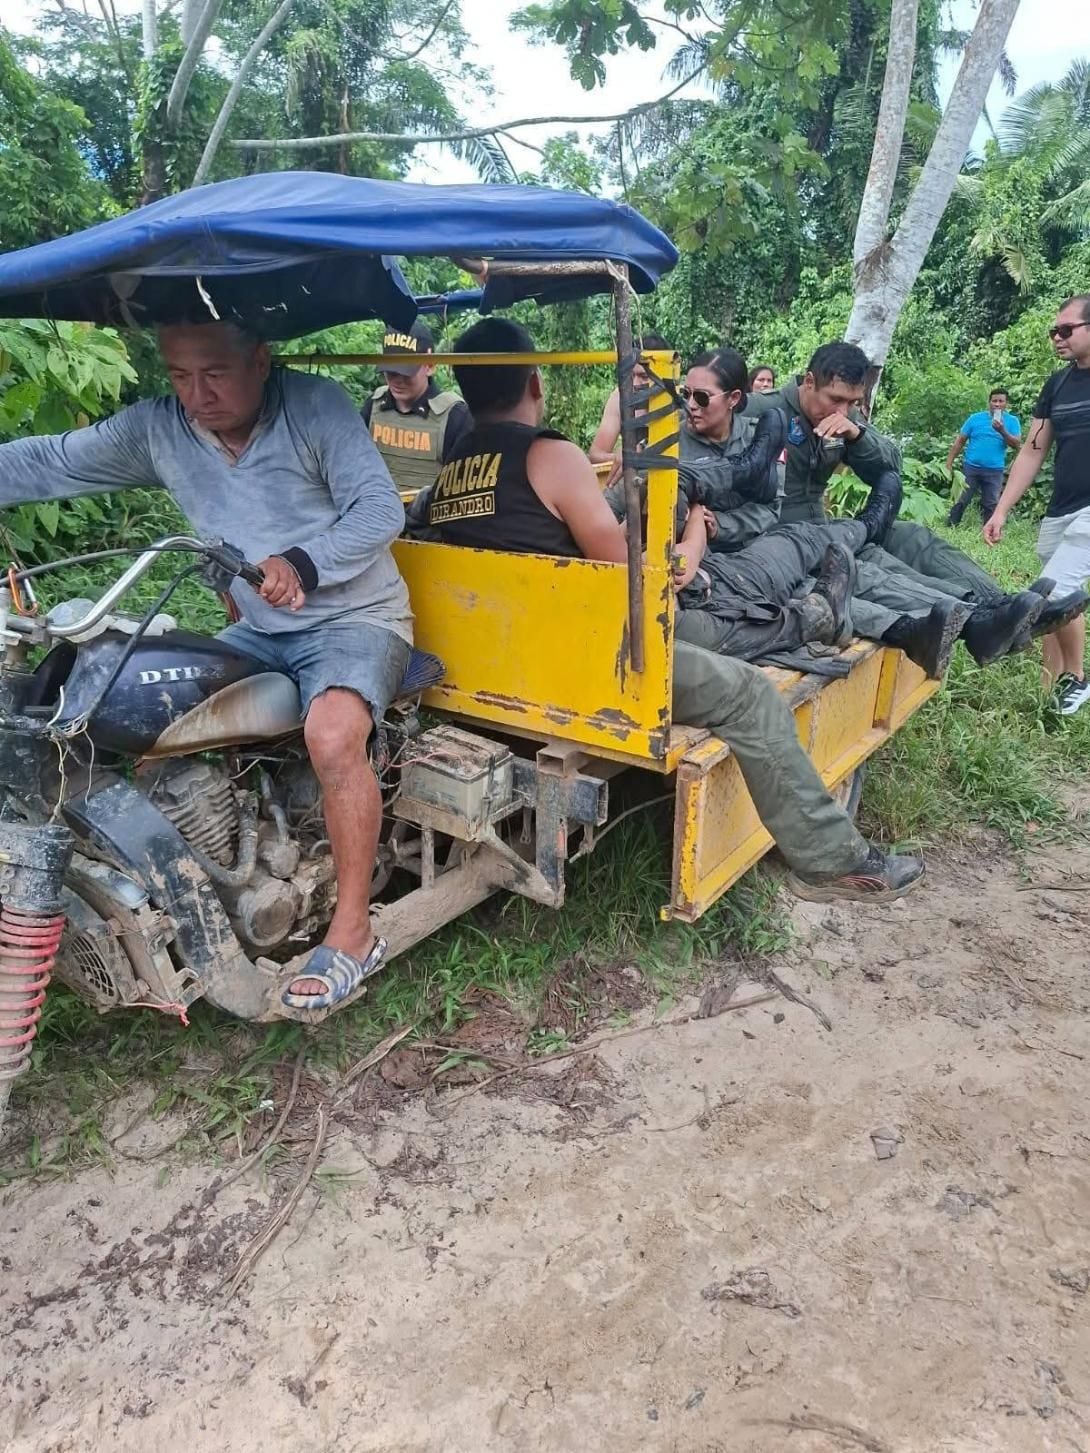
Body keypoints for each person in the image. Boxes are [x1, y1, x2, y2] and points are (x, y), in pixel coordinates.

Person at [421, 315, 924, 903]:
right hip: (584, 665)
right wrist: (691, 535)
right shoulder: (551, 456)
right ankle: (833, 863)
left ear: (463, 385)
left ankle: (808, 619)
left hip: (491, 657)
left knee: (712, 621)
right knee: (748, 692)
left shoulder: (451, 467)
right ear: (535, 382)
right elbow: (632, 576)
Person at [0, 320, 412, 1012]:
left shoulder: (314, 406)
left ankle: (352, 932)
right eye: (180, 375)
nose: (197, 395)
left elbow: (378, 508)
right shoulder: (160, 428)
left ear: (261, 359)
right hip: (259, 627)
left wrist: (303, 563)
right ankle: (210, 884)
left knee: (333, 736)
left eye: (215, 374)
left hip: (355, 620)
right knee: (157, 719)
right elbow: (54, 459)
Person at [752, 341, 1082, 657]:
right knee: (870, 569)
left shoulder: (846, 417)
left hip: (824, 529)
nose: (843, 410)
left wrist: (857, 436)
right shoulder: (759, 411)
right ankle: (980, 618)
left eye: (852, 402)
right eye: (835, 399)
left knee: (911, 537)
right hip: (777, 543)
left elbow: (891, 466)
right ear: (809, 382)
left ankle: (1005, 605)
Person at [984, 295, 1090, 715]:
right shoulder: (1057, 385)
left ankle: (1077, 678)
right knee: (1058, 594)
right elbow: (1032, 451)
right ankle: (1048, 694)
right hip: (1061, 507)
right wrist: (1001, 509)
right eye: (1053, 331)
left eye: (1066, 330)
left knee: (1053, 590)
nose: (1057, 338)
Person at [361, 321, 472, 495]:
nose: (397, 380)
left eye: (406, 372)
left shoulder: (455, 416)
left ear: (430, 366)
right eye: (391, 371)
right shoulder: (373, 405)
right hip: (378, 509)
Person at [589, 331, 670, 484]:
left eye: (644, 377)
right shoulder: (619, 397)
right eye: (631, 376)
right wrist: (626, 457)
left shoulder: (680, 399)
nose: (635, 384)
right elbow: (596, 454)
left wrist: (639, 454)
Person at [945, 388, 1021, 526]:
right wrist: (949, 463)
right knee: (961, 499)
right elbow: (960, 441)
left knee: (991, 503)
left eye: (1001, 401)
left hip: (995, 470)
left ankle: (989, 531)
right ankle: (951, 526)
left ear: (1006, 403)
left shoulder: (1012, 421)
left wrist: (1002, 430)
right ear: (989, 402)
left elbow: (1016, 444)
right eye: (994, 401)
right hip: (971, 467)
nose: (997, 404)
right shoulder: (975, 418)